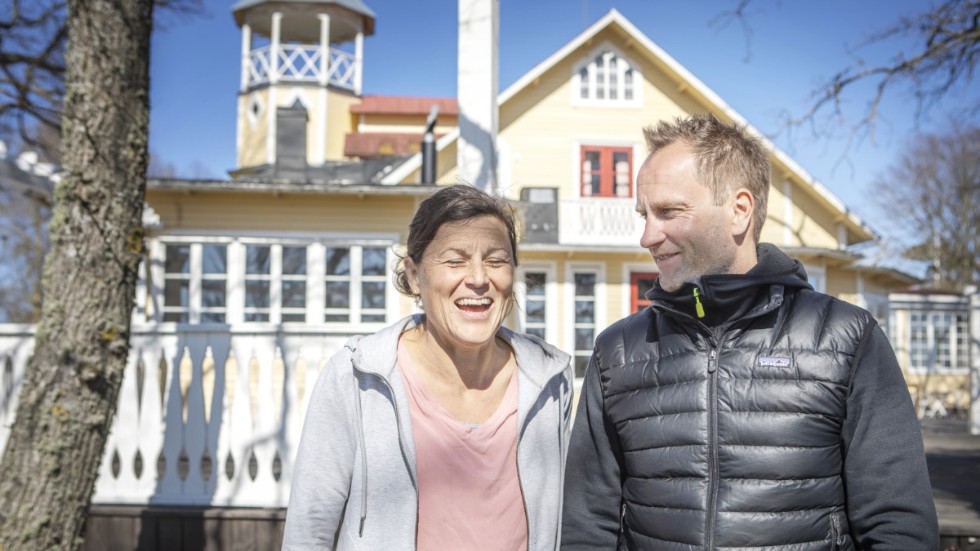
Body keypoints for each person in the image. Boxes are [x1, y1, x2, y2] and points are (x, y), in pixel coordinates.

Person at [561, 114, 938, 549]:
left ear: (739, 210)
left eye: (668, 212)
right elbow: (586, 525)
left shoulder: (846, 338)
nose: (647, 235)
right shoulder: (618, 351)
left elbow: (898, 524)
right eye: (645, 214)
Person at [282, 184, 573, 551]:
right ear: (415, 275)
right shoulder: (357, 377)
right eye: (455, 261)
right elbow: (308, 534)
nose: (479, 278)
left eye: (497, 261)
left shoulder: (548, 379)